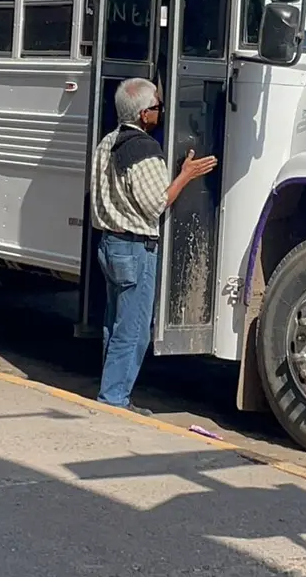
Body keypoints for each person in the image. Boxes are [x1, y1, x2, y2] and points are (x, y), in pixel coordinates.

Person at [87, 77, 216, 414]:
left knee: (116, 324)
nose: (162, 111)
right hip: (134, 248)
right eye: (158, 106)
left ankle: (112, 390)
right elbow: (156, 204)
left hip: (110, 243)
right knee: (133, 331)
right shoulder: (143, 150)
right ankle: (114, 398)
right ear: (144, 114)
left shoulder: (108, 141)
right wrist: (185, 175)